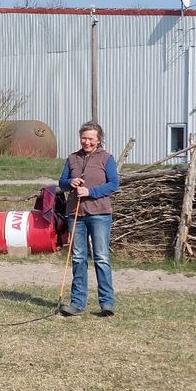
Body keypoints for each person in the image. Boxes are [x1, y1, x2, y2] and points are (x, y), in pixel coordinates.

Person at [57, 121, 120, 317]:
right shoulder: (72, 158)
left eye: (91, 138)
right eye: (84, 138)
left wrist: (90, 191)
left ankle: (107, 303)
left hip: (100, 213)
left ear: (98, 139)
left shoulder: (106, 158)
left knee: (101, 258)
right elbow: (62, 183)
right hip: (76, 214)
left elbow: (114, 185)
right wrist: (70, 182)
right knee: (78, 258)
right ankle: (77, 303)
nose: (87, 142)